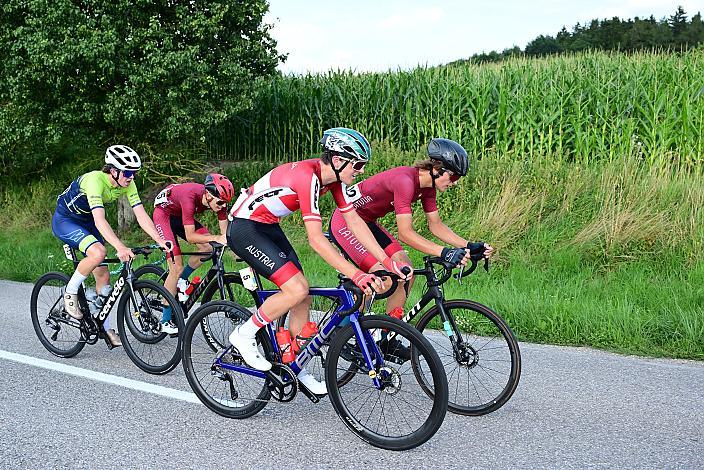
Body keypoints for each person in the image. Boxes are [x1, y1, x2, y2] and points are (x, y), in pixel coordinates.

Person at [226, 127, 412, 395]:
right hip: (245, 228)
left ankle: (294, 367)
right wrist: (356, 273)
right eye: (357, 164)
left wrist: (385, 261)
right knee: (296, 288)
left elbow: (354, 221)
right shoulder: (308, 177)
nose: (360, 170)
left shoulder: (333, 181)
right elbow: (315, 239)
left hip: (267, 226)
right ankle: (243, 335)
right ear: (337, 161)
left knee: (302, 297)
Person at [329, 138, 494, 354]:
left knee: (406, 271)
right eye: (453, 176)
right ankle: (336, 332)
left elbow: (435, 225)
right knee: (379, 278)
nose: (455, 183)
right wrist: (444, 252)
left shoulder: (427, 188)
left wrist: (469, 246)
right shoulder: (405, 181)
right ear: (437, 169)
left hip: (367, 223)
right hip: (345, 223)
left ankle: (385, 337)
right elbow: (405, 234)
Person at [52, 145, 171, 346]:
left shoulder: (127, 184)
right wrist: (120, 247)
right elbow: (100, 220)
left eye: (134, 173)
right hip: (66, 221)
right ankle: (70, 292)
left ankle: (103, 326)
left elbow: (141, 215)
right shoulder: (94, 181)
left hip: (87, 222)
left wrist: (161, 240)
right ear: (113, 171)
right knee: (99, 252)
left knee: (103, 276)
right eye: (127, 173)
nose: (131, 177)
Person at [152, 173, 234, 334]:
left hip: (179, 215)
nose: (223, 206)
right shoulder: (190, 196)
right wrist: (216, 237)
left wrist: (228, 241)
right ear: (209, 195)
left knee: (207, 248)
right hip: (164, 215)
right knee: (175, 268)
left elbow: (224, 235)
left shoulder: (218, 201)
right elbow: (190, 237)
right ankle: (165, 321)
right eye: (221, 202)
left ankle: (182, 282)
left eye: (226, 203)